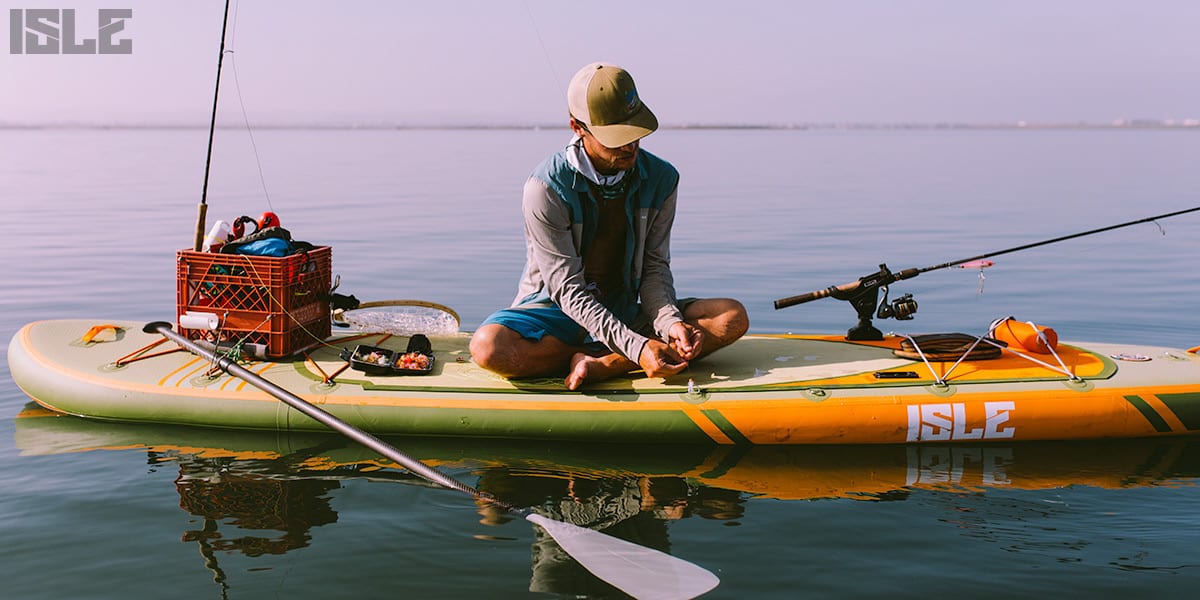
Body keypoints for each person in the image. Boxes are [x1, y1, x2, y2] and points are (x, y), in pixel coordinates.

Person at [470, 62, 748, 390]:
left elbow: (655, 268)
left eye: (634, 134)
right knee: (488, 347)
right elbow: (567, 291)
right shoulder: (544, 189)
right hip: (557, 310)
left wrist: (670, 324)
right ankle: (609, 356)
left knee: (731, 317)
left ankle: (605, 364)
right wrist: (638, 346)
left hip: (627, 306)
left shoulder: (663, 179)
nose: (629, 146)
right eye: (616, 138)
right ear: (577, 127)